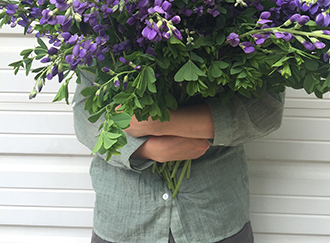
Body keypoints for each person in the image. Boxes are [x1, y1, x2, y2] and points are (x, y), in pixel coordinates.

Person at [73, 70, 285, 243]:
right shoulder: (96, 26)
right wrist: (145, 149)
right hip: (124, 219)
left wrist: (164, 122)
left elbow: (266, 108)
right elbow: (86, 113)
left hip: (214, 216)